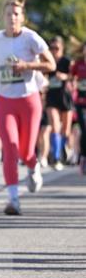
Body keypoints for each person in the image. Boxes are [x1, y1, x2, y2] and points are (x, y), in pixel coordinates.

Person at [0, 0, 55, 216]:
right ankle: (13, 199)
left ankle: (33, 165)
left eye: (16, 14)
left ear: (22, 18)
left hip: (29, 101)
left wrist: (27, 65)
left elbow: (51, 64)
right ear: (3, 17)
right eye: (8, 14)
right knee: (10, 148)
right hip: (4, 101)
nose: (12, 17)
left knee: (26, 151)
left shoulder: (31, 38)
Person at [45, 36, 73, 170]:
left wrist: (65, 76)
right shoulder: (47, 61)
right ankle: (56, 157)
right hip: (51, 97)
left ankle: (62, 150)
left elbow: (75, 77)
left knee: (65, 129)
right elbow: (41, 75)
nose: (54, 51)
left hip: (65, 97)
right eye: (52, 48)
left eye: (57, 48)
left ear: (62, 48)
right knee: (55, 125)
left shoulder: (67, 61)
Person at [69, 41, 86, 175]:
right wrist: (73, 84)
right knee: (83, 129)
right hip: (80, 102)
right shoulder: (78, 64)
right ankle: (83, 158)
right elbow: (71, 78)